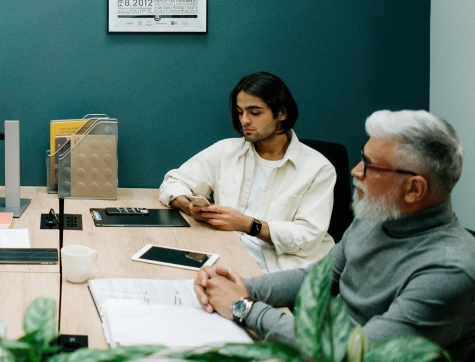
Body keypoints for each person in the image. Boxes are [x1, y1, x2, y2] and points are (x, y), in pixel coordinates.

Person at [194, 110, 475, 360]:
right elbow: (316, 277)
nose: (355, 171)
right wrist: (241, 287)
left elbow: (352, 353)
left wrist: (243, 307)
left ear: (414, 189)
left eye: (370, 165)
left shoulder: (447, 271)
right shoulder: (376, 217)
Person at [159, 72, 336, 273]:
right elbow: (172, 182)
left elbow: (307, 237)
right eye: (240, 112)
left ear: (282, 113)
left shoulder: (318, 168)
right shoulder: (225, 151)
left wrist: (249, 225)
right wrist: (189, 206)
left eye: (255, 112)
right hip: (227, 256)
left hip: (284, 270)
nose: (244, 120)